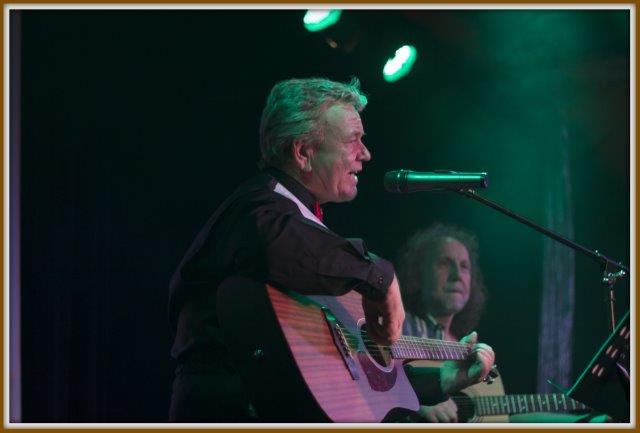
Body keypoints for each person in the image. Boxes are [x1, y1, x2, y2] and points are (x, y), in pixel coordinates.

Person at [167, 78, 494, 422]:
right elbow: (274, 239)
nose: (365, 153)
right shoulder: (258, 208)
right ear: (303, 152)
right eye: (353, 139)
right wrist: (380, 278)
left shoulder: (309, 233)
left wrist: (443, 379)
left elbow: (354, 376)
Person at [397, 222, 609, 423]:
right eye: (444, 262)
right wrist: (417, 399)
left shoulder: (466, 348)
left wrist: (585, 422)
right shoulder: (397, 326)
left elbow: (505, 420)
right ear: (417, 274)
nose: (457, 275)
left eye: (464, 266)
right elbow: (378, 379)